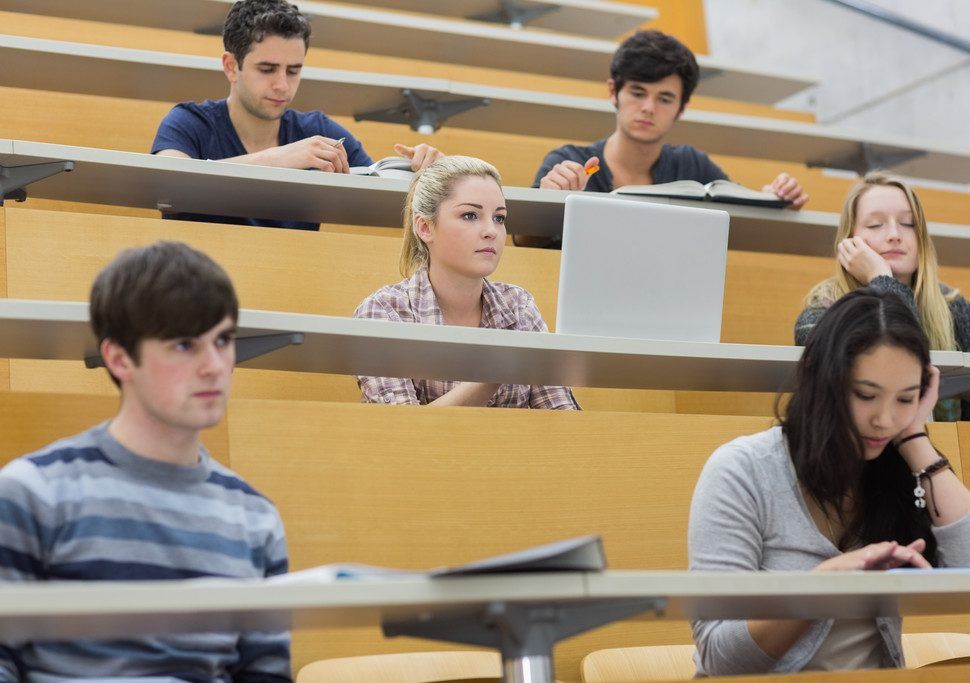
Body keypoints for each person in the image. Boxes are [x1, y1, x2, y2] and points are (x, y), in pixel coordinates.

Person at [0, 242, 290, 681]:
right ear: (118, 358)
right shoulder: (32, 494)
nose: (214, 366)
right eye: (184, 345)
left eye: (223, 340)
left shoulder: (255, 519)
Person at [689, 289, 970, 675]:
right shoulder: (742, 470)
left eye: (905, 398)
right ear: (818, 375)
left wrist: (914, 439)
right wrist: (822, 588)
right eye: (866, 395)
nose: (884, 419)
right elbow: (721, 658)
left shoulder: (894, 465)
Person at [151, 0, 443, 230]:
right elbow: (169, 185)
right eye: (267, 69)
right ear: (230, 66)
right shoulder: (187, 122)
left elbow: (384, 196)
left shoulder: (318, 130)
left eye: (294, 71)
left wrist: (431, 175)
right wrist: (279, 159)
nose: (282, 85)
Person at [522, 29, 809, 248]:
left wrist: (778, 198)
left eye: (665, 98)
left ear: (681, 108)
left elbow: (744, 212)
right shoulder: (569, 161)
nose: (648, 108)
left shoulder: (692, 165)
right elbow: (525, 243)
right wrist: (548, 201)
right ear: (613, 92)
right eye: (637, 93)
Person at [354, 155, 580, 409]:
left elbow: (562, 416)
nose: (491, 231)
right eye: (470, 215)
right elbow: (402, 431)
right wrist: (497, 374)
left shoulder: (519, 306)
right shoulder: (383, 311)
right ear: (425, 227)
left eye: (499, 218)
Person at [796, 171, 970, 422]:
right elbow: (895, 361)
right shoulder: (820, 313)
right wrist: (881, 278)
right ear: (850, 241)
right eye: (875, 224)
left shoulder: (951, 307)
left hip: (950, 457)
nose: (894, 233)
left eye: (908, 223)